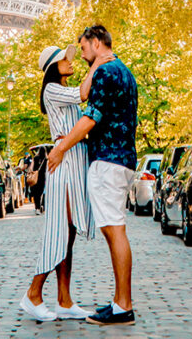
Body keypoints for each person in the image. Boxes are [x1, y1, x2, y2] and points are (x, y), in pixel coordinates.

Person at [48, 25, 138, 327]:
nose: (82, 53)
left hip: (107, 161)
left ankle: (123, 305)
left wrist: (61, 148)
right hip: (124, 159)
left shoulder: (103, 74)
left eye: (84, 47)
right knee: (116, 229)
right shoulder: (125, 71)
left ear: (96, 42)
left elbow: (91, 117)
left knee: (114, 230)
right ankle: (119, 302)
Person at [19, 42, 106, 322]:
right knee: (59, 233)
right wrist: (98, 62)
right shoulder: (52, 89)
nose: (71, 62)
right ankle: (33, 293)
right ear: (53, 67)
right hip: (64, 163)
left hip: (73, 162)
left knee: (66, 237)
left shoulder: (58, 90)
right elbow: (83, 94)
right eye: (65, 60)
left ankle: (64, 300)